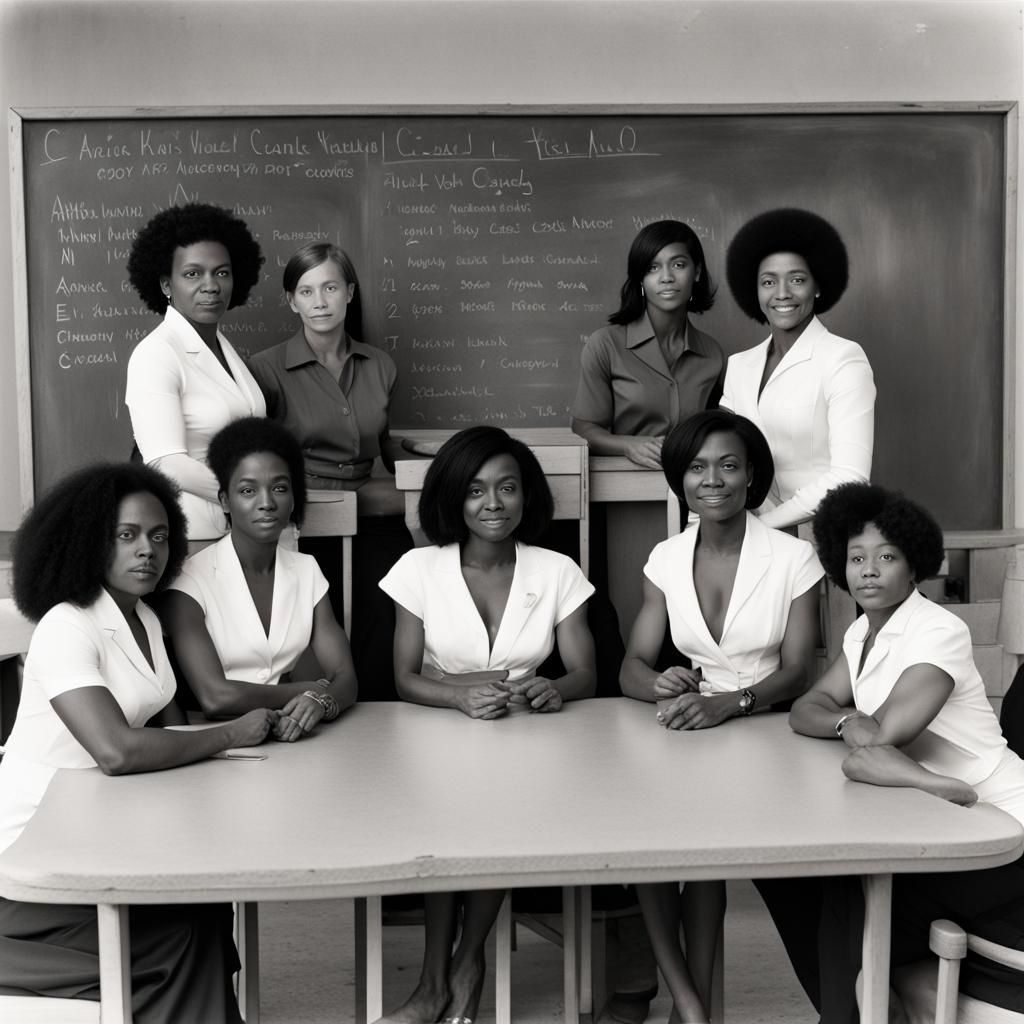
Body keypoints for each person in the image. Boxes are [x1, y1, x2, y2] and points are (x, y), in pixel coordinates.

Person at [0, 462, 276, 1023]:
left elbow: (163, 728)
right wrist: (230, 734)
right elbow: (117, 751)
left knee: (203, 912)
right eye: (125, 536)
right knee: (183, 932)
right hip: (29, 871)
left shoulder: (145, 618)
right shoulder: (66, 626)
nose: (147, 550)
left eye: (159, 535)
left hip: (94, 838)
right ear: (88, 543)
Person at [377, 425, 596, 1024]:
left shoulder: (556, 569)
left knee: (501, 813)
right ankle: (434, 979)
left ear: (527, 495)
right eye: (475, 490)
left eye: (507, 487)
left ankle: (464, 963)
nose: (493, 504)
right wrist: (459, 698)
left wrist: (552, 688)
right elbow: (403, 679)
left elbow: (585, 673)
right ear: (454, 497)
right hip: (437, 738)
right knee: (446, 821)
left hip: (529, 739)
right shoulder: (418, 568)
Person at [788, 483, 1024, 1023]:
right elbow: (808, 708)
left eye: (886, 557)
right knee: (821, 890)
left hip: (1006, 834)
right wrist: (850, 721)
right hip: (946, 822)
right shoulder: (860, 634)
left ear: (914, 564)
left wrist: (871, 741)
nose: (868, 571)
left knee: (850, 894)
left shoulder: (939, 630)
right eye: (856, 558)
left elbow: (877, 746)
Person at [619, 409, 822, 1023]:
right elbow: (631, 666)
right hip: (687, 726)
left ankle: (691, 1007)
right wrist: (661, 683)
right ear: (680, 479)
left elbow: (798, 671)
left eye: (729, 466)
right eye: (697, 467)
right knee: (647, 846)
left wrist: (731, 704)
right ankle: (689, 1003)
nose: (713, 480)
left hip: (766, 730)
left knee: (707, 856)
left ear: (752, 475)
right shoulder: (664, 557)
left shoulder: (794, 557)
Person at [249, 242, 411, 698]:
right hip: (303, 519)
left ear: (350, 293)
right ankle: (322, 705)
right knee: (316, 626)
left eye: (330, 288)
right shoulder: (264, 369)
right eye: (306, 291)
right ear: (292, 301)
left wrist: (432, 473)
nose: (319, 302)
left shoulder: (380, 364)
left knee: (389, 596)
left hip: (369, 511)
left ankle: (382, 709)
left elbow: (382, 441)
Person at [156, 417, 357, 734]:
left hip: (290, 735)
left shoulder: (307, 570)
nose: (266, 503)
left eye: (279, 488)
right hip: (216, 740)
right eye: (248, 490)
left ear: (293, 499)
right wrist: (312, 690)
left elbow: (346, 678)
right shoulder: (189, 581)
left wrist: (322, 702)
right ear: (225, 500)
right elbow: (215, 698)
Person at [722, 207, 875, 530]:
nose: (782, 294)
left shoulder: (843, 358)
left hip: (824, 534)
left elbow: (851, 476)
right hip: (752, 536)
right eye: (768, 282)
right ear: (755, 290)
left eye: (797, 280)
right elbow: (725, 452)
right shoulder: (740, 366)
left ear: (817, 286)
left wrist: (768, 525)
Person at [125, 202, 267, 541]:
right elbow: (165, 462)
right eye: (192, 274)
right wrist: (250, 498)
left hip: (240, 533)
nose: (211, 285)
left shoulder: (222, 347)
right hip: (191, 536)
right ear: (166, 284)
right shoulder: (156, 353)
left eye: (222, 272)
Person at [571, 219, 725, 469]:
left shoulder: (713, 354)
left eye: (678, 265)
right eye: (653, 268)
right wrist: (628, 445)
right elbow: (584, 428)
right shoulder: (605, 345)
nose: (666, 277)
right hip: (623, 484)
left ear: (696, 272)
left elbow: (722, 432)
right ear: (640, 278)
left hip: (693, 486)